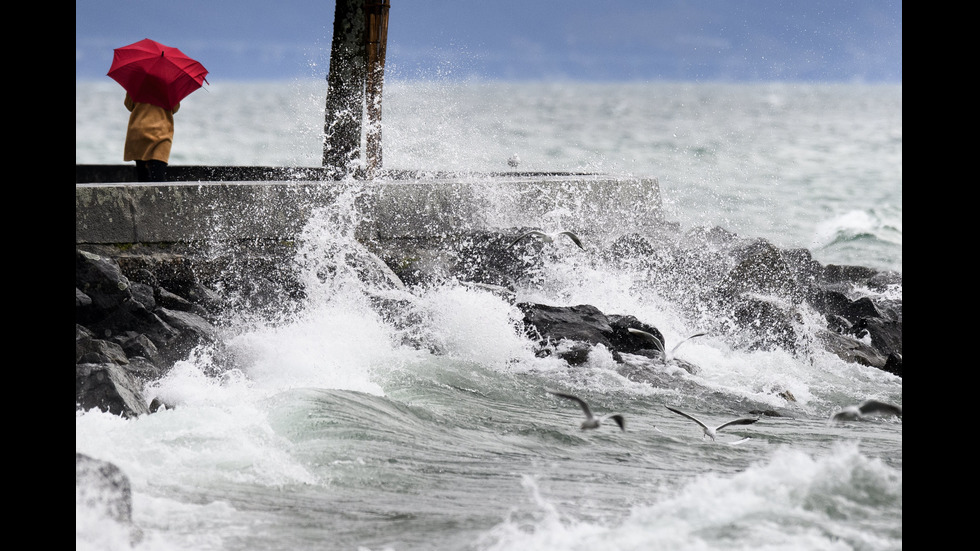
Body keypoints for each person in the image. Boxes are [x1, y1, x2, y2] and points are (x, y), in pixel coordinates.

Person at [123, 93, 179, 182]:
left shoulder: (137, 83)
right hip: (161, 134)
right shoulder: (169, 86)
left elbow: (129, 105)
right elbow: (175, 108)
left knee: (142, 178)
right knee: (158, 179)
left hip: (139, 132)